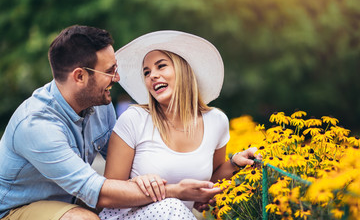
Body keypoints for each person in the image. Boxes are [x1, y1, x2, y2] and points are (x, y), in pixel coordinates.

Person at [0, 25, 223, 220]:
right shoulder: (38, 125)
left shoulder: (100, 106)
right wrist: (174, 191)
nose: (117, 78)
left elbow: (126, 164)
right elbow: (98, 191)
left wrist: (143, 178)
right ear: (80, 77)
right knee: (81, 219)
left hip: (70, 201)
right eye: (110, 71)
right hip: (16, 209)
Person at [99, 31, 261, 219]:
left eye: (161, 66)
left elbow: (209, 181)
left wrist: (234, 163)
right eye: (147, 72)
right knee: (171, 207)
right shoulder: (134, 119)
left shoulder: (216, 121)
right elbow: (107, 195)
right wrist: (139, 184)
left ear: (183, 69)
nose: (152, 75)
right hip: (126, 215)